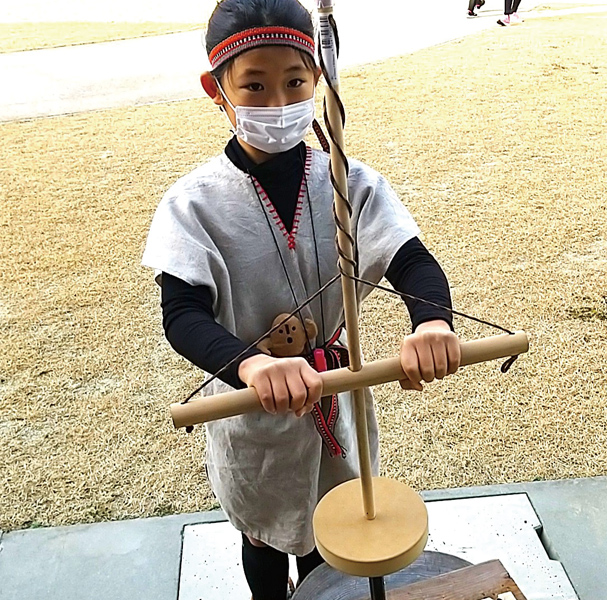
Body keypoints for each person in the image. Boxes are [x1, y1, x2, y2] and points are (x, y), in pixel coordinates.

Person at [142, 0, 461, 598]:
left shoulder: (349, 182)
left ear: (318, 76)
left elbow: (410, 260)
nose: (277, 102)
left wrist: (431, 323)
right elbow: (181, 313)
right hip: (251, 404)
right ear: (217, 89)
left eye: (293, 82)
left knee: (337, 524)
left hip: (335, 394)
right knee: (262, 531)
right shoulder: (194, 204)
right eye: (253, 86)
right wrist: (253, 364)